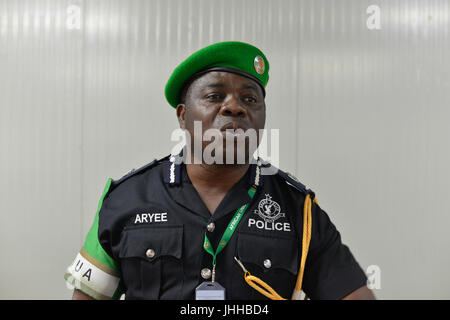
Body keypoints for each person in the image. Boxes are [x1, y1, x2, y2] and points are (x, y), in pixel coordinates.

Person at [65, 41, 376, 300]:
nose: (234, 107)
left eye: (249, 99)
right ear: (183, 116)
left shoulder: (299, 210)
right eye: (215, 96)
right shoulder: (126, 199)